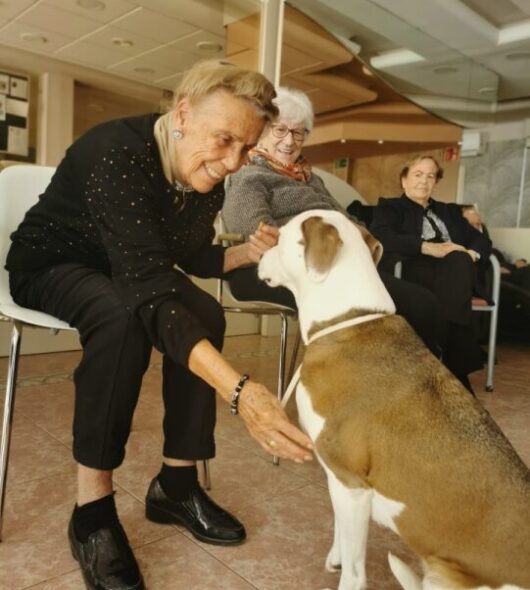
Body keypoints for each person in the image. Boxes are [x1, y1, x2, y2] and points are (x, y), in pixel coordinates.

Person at [5, 61, 314, 590]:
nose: (232, 162)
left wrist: (243, 252)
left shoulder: (210, 174)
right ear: (183, 115)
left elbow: (189, 255)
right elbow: (146, 286)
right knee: (123, 316)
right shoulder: (115, 151)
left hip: (121, 268)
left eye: (245, 147)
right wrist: (241, 392)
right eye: (223, 140)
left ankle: (175, 482)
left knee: (206, 311)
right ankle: (92, 514)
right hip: (52, 262)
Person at [222, 87, 445, 360]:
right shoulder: (250, 177)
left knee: (425, 303)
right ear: (263, 131)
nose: (289, 141)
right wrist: (318, 248)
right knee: (385, 308)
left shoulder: (311, 179)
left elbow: (346, 218)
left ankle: (427, 383)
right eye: (280, 130)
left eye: (298, 132)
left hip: (335, 262)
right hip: (280, 267)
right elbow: (255, 233)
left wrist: (357, 234)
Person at [370, 155, 492, 389]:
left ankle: (438, 355)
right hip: (413, 268)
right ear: (404, 179)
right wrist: (426, 247)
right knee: (456, 274)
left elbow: (481, 240)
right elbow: (382, 235)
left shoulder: (450, 212)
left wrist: (471, 255)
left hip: (456, 271)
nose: (424, 181)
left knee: (458, 259)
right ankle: (456, 371)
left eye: (430, 176)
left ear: (436, 182)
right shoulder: (390, 207)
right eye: (417, 174)